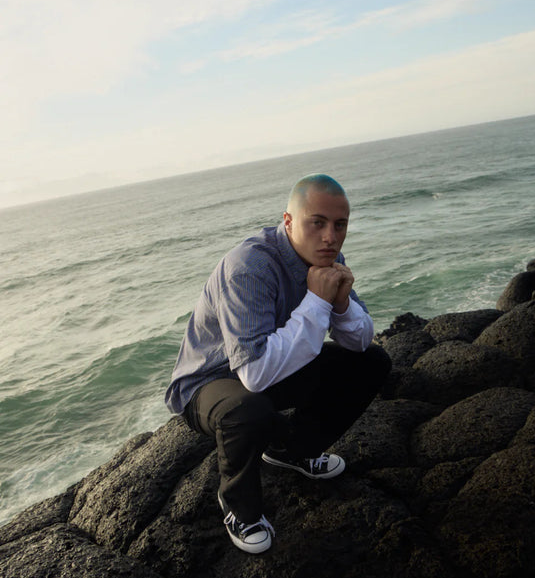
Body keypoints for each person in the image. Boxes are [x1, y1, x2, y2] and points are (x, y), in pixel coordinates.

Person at [165, 174, 391, 554]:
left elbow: (361, 340)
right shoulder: (249, 267)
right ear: (288, 222)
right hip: (209, 382)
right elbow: (253, 375)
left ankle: (291, 451)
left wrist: (339, 304)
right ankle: (240, 508)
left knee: (371, 362)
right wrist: (318, 302)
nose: (330, 237)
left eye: (340, 225)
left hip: (268, 366)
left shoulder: (329, 259)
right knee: (247, 408)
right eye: (316, 223)